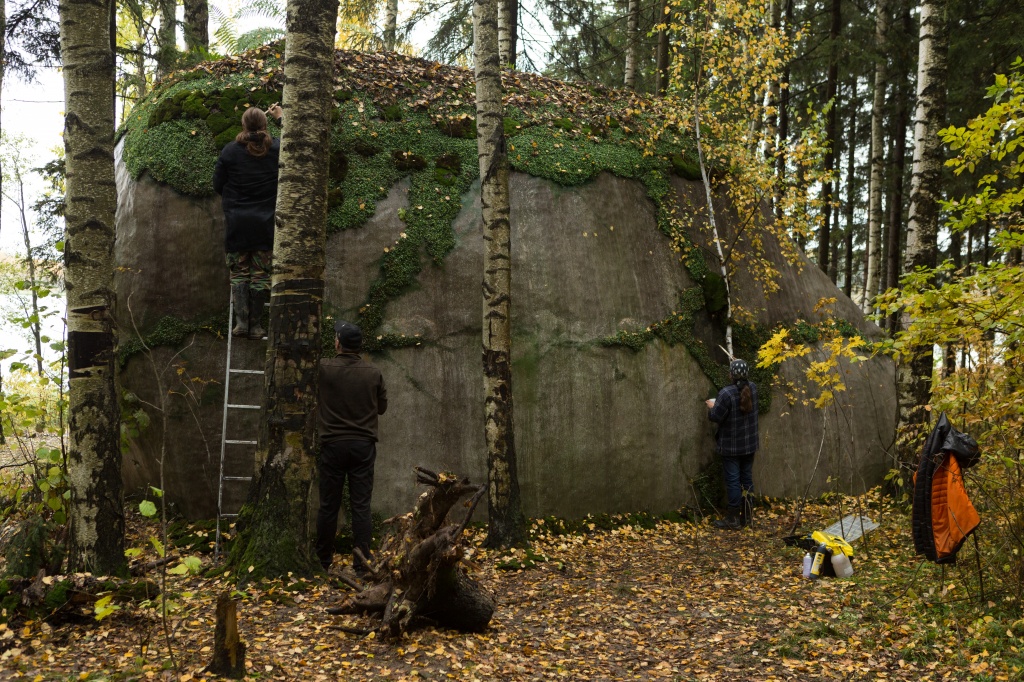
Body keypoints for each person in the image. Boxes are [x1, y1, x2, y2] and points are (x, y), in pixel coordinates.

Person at [316, 320, 388, 574]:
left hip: (332, 444)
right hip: (363, 446)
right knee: (361, 506)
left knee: (328, 505)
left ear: (338, 343)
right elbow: (381, 407)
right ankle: (362, 564)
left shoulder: (323, 368)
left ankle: (323, 561)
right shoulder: (373, 372)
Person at [213, 104, 283, 339]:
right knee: (261, 274)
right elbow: (297, 148)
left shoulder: (230, 151)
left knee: (240, 272)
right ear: (264, 125)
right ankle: (257, 326)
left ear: (243, 125)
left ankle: (242, 324)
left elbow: (217, 184)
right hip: (265, 222)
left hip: (237, 221)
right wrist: (281, 118)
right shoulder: (277, 150)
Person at [706, 358, 759, 530]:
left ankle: (733, 519)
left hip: (731, 446)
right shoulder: (753, 389)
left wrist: (712, 406)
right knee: (747, 479)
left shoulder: (726, 393)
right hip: (749, 444)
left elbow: (716, 416)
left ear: (730, 375)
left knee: (734, 481)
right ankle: (747, 517)